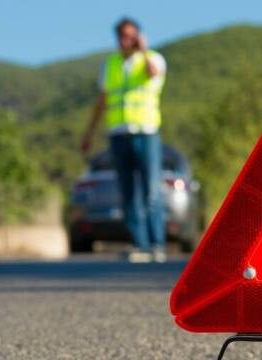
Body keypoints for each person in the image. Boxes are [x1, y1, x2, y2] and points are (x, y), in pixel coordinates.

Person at [81, 18, 167, 263]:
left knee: (151, 189)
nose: (125, 40)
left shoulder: (153, 58)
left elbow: (153, 73)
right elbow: (102, 101)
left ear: (138, 36)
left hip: (146, 132)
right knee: (128, 192)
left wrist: (144, 50)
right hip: (118, 134)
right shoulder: (110, 65)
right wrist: (89, 133)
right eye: (121, 36)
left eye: (130, 35)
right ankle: (140, 244)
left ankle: (157, 244)